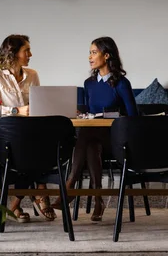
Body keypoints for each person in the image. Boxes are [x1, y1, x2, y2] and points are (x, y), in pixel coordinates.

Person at [52, 36, 138, 221]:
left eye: (93, 52)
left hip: (114, 139)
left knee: (88, 138)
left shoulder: (122, 83)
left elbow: (133, 118)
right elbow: (90, 112)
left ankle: (70, 185)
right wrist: (80, 113)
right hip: (93, 139)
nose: (89, 57)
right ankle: (98, 200)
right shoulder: (88, 84)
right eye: (89, 53)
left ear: (106, 55)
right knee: (90, 143)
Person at [0, 34, 56, 223]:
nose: (30, 54)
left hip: (29, 133)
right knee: (30, 149)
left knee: (42, 143)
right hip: (4, 136)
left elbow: (38, 104)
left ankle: (14, 205)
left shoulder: (32, 75)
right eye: (26, 50)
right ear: (13, 53)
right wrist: (17, 110)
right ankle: (40, 193)